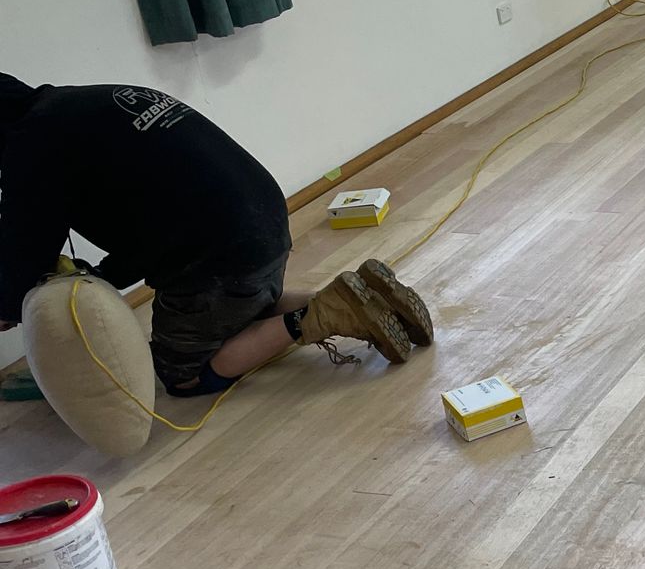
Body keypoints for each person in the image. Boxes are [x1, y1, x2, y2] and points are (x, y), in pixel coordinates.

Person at [0, 73, 432, 397]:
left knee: (182, 375)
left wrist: (7, 306)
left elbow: (27, 253)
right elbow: (142, 226)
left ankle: (323, 315)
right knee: (238, 304)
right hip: (262, 222)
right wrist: (100, 277)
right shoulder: (79, 104)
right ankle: (366, 296)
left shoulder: (30, 149)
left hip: (219, 256)